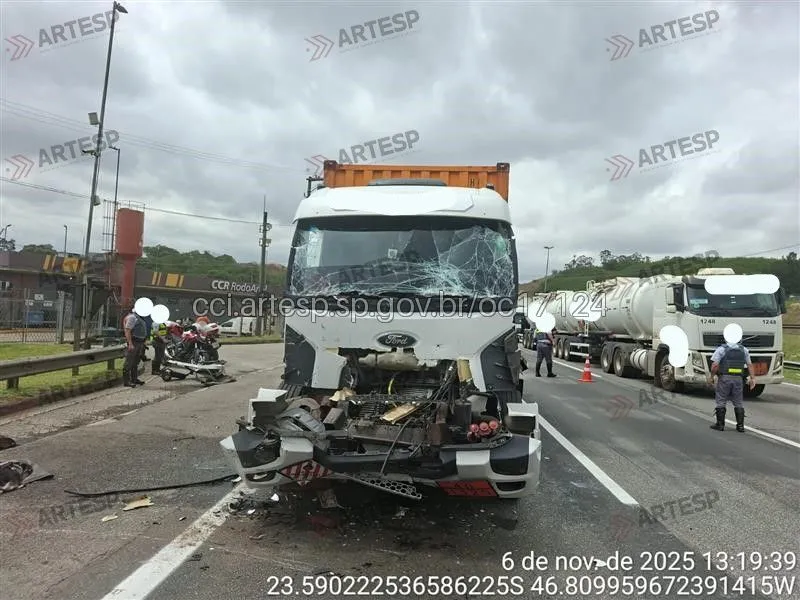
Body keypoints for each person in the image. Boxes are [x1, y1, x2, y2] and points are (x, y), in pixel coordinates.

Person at [709, 339, 756, 432]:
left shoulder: (721, 349)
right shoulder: (744, 350)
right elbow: (749, 365)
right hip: (738, 379)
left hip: (725, 378)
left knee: (721, 400)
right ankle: (740, 426)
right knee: (738, 401)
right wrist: (753, 378)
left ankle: (720, 424)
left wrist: (711, 377)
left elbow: (714, 365)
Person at [122, 306, 148, 387]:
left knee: (135, 362)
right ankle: (127, 381)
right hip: (134, 342)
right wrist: (130, 343)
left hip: (139, 343)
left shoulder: (139, 318)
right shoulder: (132, 318)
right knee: (129, 362)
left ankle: (134, 379)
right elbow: (127, 330)